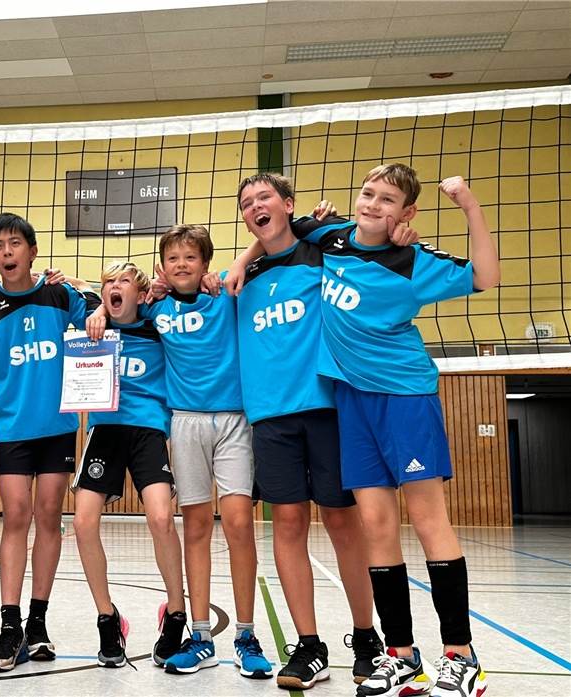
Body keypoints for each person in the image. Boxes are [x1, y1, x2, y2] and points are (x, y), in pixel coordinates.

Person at [289, 165, 499, 697]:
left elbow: (486, 276)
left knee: (428, 519)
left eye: (388, 200)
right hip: (351, 401)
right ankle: (401, 656)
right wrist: (244, 260)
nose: (374, 204)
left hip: (405, 398)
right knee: (377, 525)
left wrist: (468, 205)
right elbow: (283, 228)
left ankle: (461, 654)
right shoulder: (330, 237)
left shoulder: (413, 261)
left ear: (407, 214)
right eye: (368, 193)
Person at [228, 174, 412, 689]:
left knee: (340, 521)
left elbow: (374, 237)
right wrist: (241, 259)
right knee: (287, 523)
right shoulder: (239, 278)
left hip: (329, 406)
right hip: (269, 415)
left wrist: (398, 234)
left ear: (289, 205)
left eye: (264, 198)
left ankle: (366, 635)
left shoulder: (325, 252)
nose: (255, 207)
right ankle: (308, 645)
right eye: (246, 204)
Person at [91, 224, 272, 679]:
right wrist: (100, 302)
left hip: (233, 420)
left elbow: (255, 260)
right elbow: (112, 297)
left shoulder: (225, 295)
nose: (182, 265)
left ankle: (247, 635)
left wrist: (239, 260)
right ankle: (201, 635)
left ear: (206, 265)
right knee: (194, 527)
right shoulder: (157, 308)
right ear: (161, 269)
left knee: (237, 524)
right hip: (185, 422)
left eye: (191, 258)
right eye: (173, 259)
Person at [0, 212, 101, 673]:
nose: (7, 252)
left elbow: (108, 307)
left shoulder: (60, 296)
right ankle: (10, 626)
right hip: (13, 431)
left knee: (48, 516)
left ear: (32, 252)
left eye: (15, 243)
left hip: (58, 427)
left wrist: (81, 283)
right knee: (16, 516)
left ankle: (38, 623)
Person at [72, 261, 187, 669]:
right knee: (83, 522)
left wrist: (167, 288)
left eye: (123, 282)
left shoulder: (158, 321)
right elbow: (77, 284)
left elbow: (187, 295)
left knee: (160, 518)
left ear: (141, 294)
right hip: (106, 431)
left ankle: (175, 613)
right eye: (109, 284)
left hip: (149, 430)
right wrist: (96, 307)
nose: (113, 288)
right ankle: (108, 618)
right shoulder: (95, 323)